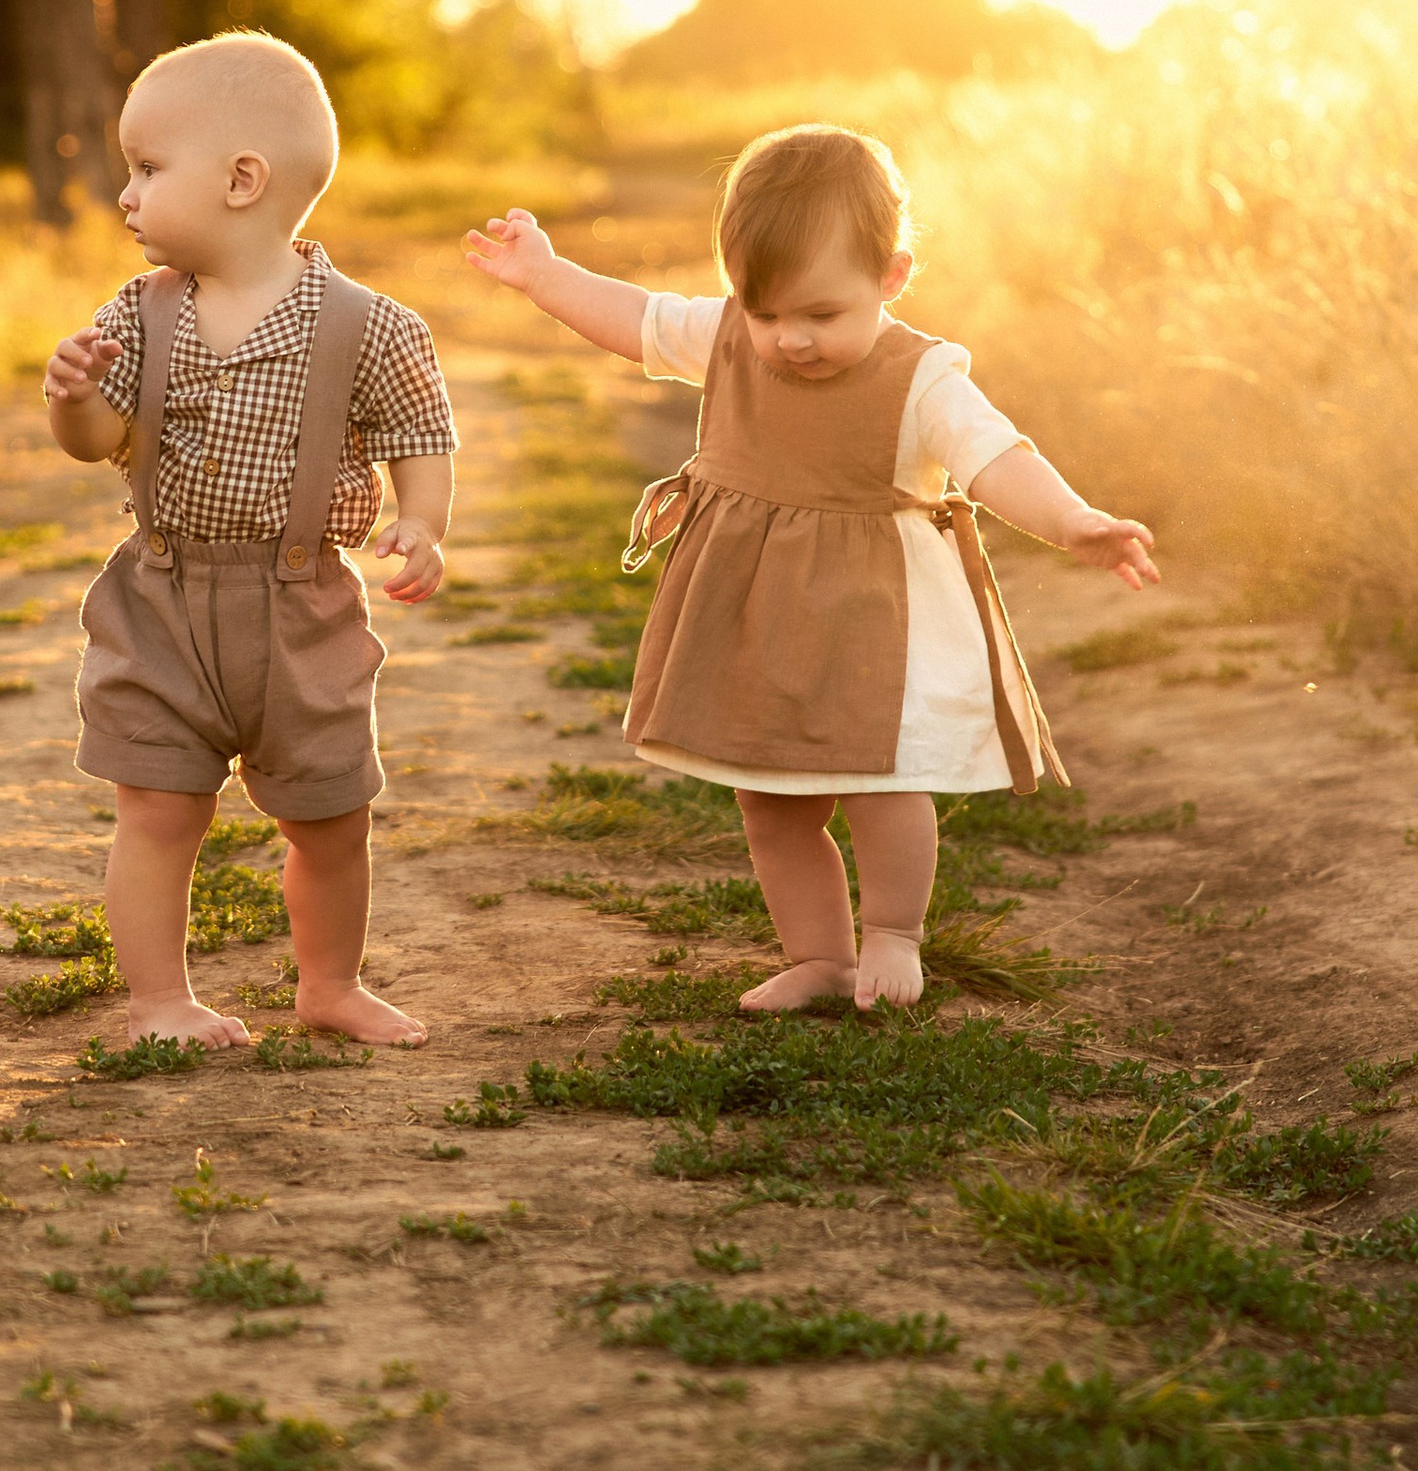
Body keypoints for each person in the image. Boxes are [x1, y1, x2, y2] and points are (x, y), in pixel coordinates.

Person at [463, 122, 1155, 1016]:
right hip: (758, 615)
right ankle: (819, 956)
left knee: (884, 781)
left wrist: (1073, 521)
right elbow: (634, 318)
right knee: (772, 795)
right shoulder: (721, 337)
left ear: (892, 277)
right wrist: (545, 275)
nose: (790, 339)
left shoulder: (923, 378)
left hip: (879, 617)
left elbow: (994, 457)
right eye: (766, 312)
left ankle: (895, 933)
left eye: (822, 315)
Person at [43, 33, 455, 1049]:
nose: (126, 196)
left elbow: (420, 434)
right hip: (163, 601)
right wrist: (77, 399)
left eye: (146, 169)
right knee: (156, 811)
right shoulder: (137, 316)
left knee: (329, 818)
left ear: (241, 179)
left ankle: (330, 986)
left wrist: (421, 521)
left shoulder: (369, 326)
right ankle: (159, 1003)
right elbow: (98, 444)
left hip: (301, 608)